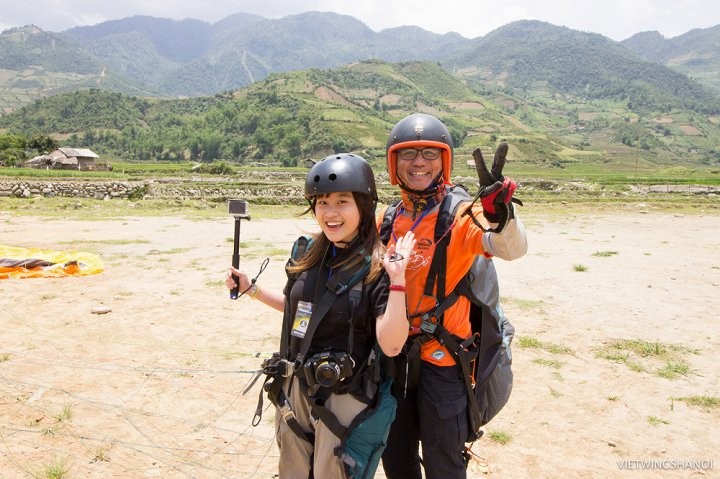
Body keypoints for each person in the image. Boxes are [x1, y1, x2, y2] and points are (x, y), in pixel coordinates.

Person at [226, 153, 416, 479]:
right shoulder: (308, 254)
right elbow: (300, 313)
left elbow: (392, 344)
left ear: (363, 206)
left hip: (346, 393)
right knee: (293, 469)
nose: (330, 213)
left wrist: (398, 281)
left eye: (342, 202)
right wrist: (252, 289)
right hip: (297, 384)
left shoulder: (378, 266)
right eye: (322, 202)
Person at [379, 113, 528, 479]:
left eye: (430, 153)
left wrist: (502, 216)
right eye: (408, 154)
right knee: (396, 456)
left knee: (444, 460)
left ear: (444, 161)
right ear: (393, 162)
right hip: (394, 359)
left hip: (444, 363)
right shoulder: (388, 217)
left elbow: (510, 249)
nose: (418, 162)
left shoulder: (460, 215)